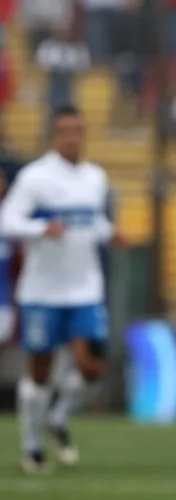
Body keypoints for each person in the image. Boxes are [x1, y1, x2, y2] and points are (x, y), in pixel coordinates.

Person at [0, 105, 125, 474]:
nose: (72, 137)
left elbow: (92, 221)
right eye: (65, 130)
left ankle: (58, 417)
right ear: (54, 135)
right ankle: (32, 444)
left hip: (85, 289)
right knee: (40, 373)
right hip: (42, 292)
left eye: (77, 130)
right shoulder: (35, 177)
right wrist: (41, 230)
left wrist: (109, 232)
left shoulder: (94, 177)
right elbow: (7, 220)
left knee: (91, 369)